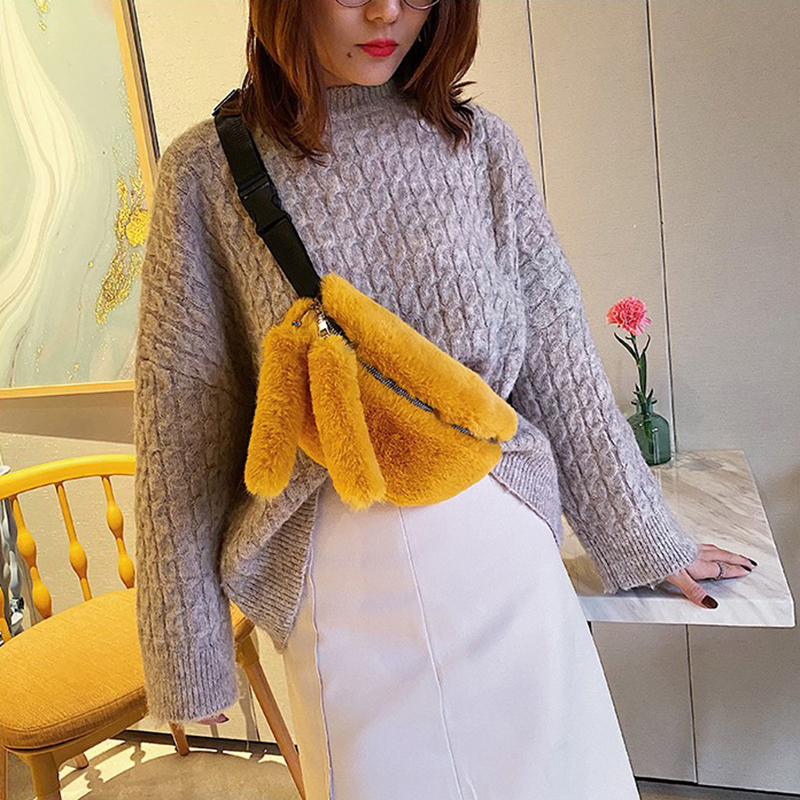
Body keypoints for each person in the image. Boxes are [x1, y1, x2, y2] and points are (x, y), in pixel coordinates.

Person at [133, 1, 757, 798]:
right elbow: (181, 423)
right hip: (344, 591)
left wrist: (649, 537)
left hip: (505, 556)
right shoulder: (207, 173)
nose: (387, 11)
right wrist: (187, 650)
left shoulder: (482, 147)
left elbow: (558, 359)